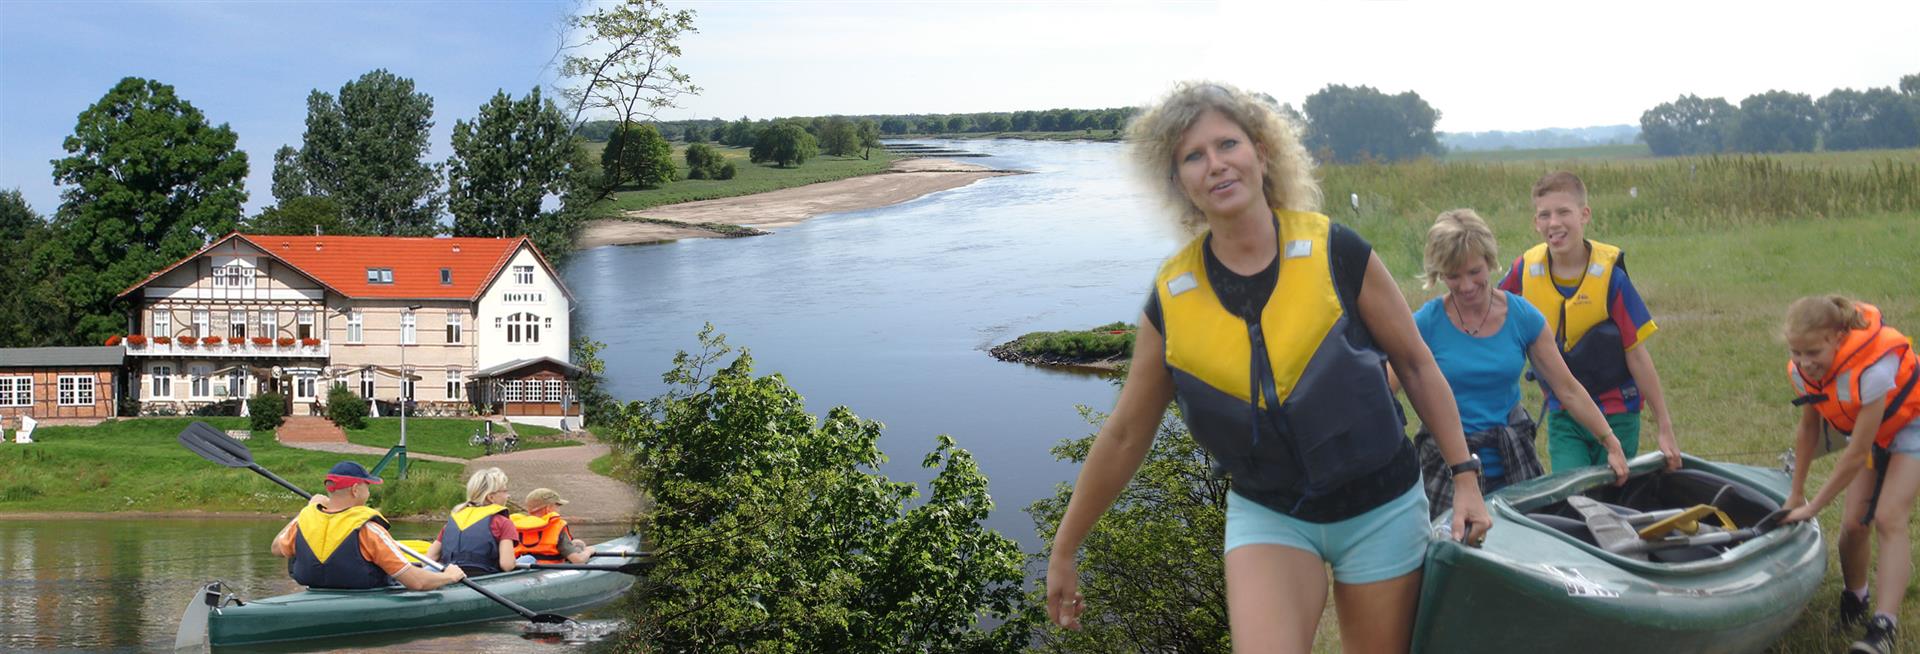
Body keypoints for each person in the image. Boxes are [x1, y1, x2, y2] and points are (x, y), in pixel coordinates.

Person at [1044, 81, 1490, 652]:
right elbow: (1127, 433)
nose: (1215, 165)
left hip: (1380, 503)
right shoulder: (1172, 297)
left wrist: (1465, 476)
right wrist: (1065, 548)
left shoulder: (1336, 250)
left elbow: (1416, 364)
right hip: (1270, 513)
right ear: (1178, 180)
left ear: (1260, 150)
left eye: (1227, 144)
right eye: (1193, 156)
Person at [1408, 209, 1628, 516]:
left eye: (1474, 272)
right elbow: (1383, 392)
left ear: (1489, 262)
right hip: (1447, 470)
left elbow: (1567, 389)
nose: (1467, 286)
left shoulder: (1522, 317)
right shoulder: (1424, 324)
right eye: (1453, 276)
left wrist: (1609, 441)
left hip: (1511, 465)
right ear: (1439, 274)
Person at [1497, 172, 1683, 473]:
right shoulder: (1524, 270)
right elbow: (1488, 310)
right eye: (1544, 215)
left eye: (1563, 212)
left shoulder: (1612, 277)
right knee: (1572, 495)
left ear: (1584, 215)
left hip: (1618, 410)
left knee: (1613, 494)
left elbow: (1636, 354)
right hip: (1564, 412)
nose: (1554, 223)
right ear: (1535, 223)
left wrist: (1664, 426)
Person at [1779, 295, 1919, 654]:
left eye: (1812, 352)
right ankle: (1856, 598)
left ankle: (1883, 627)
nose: (1804, 362)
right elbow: (1809, 428)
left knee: (1889, 517)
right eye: (1796, 352)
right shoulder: (1802, 371)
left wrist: (1814, 507)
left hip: (1912, 425)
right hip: (1872, 433)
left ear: (1838, 338)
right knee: (1855, 525)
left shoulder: (1874, 370)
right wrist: (1797, 493)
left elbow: (1857, 453)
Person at [270, 460, 466, 590]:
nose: (369, 493)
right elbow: (416, 582)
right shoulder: (368, 529)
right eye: (367, 486)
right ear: (355, 489)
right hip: (364, 595)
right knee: (432, 570)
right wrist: (449, 576)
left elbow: (277, 548)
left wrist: (307, 510)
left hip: (318, 591)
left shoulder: (305, 520)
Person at [425, 467, 518, 576]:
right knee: (529, 558)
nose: (508, 495)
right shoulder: (503, 523)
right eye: (505, 491)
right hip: (484, 576)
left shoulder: (455, 519)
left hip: (452, 575)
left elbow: (429, 559)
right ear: (491, 497)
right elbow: (507, 565)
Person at [513, 487, 596, 565]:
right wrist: (589, 551)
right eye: (557, 506)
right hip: (549, 569)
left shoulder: (515, 526)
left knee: (577, 543)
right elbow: (578, 561)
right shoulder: (556, 526)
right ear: (548, 508)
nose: (559, 510)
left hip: (523, 568)